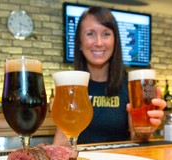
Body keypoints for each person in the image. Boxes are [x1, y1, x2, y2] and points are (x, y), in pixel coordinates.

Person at [53, 6, 166, 145]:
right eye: (90, 34)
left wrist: (146, 130)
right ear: (79, 43)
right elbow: (61, 142)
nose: (99, 43)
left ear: (115, 41)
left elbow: (137, 140)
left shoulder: (130, 86)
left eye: (106, 34)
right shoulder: (69, 85)